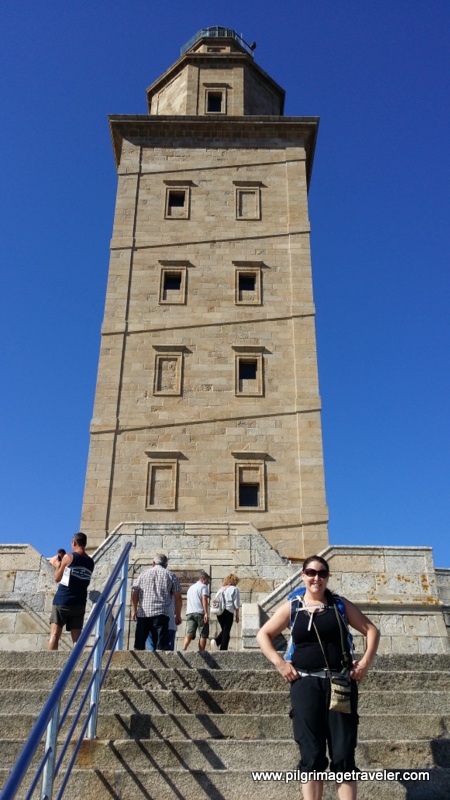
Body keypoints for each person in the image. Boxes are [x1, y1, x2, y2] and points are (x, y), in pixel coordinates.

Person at [256, 555, 380, 800]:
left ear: (327, 577)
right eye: (311, 573)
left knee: (343, 754)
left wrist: (365, 663)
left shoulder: (339, 605)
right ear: (303, 575)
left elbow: (371, 630)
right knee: (311, 753)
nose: (316, 578)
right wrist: (279, 663)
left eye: (322, 573)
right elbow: (264, 634)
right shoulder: (294, 606)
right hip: (305, 684)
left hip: (340, 683)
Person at [48, 533, 94, 651]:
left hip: (62, 601)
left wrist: (58, 565)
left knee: (55, 635)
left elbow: (57, 578)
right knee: (77, 640)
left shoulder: (69, 557)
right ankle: (77, 664)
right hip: (79, 604)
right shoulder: (90, 562)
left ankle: (51, 665)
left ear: (74, 543)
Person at [132, 554, 182, 651]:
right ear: (166, 565)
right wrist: (178, 615)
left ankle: (138, 664)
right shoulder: (170, 575)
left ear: (153, 563)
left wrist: (134, 610)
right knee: (161, 647)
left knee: (139, 646)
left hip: (143, 613)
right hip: (161, 614)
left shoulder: (143, 574)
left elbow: (135, 593)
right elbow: (178, 597)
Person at [210, 573, 240, 651]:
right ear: (234, 581)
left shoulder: (221, 589)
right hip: (228, 611)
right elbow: (236, 604)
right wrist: (237, 615)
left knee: (224, 630)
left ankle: (217, 642)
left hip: (219, 612)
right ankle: (222, 648)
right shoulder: (234, 589)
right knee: (226, 631)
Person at [182, 570, 210, 651]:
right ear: (203, 579)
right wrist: (206, 613)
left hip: (190, 612)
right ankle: (202, 652)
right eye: (207, 581)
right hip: (200, 612)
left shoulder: (191, 587)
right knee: (203, 634)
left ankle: (184, 648)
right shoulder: (204, 587)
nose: (208, 583)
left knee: (190, 632)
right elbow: (204, 599)